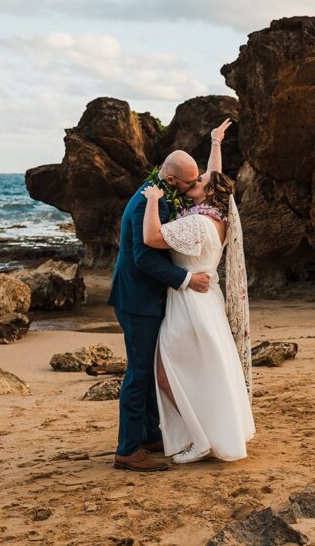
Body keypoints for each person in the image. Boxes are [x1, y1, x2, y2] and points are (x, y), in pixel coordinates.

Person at [141, 119, 255, 464]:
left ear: (205, 192)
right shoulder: (218, 215)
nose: (197, 178)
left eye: (200, 180)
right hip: (207, 301)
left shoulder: (197, 223)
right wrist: (215, 143)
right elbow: (215, 178)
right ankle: (207, 433)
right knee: (208, 370)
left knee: (165, 371)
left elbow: (151, 238)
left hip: (189, 302)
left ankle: (199, 438)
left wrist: (152, 199)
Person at [108, 147, 212, 472]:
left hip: (145, 297)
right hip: (138, 300)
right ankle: (127, 450)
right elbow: (143, 255)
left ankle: (149, 436)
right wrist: (186, 279)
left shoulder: (160, 193)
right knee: (139, 373)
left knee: (150, 369)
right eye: (189, 182)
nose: (193, 187)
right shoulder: (148, 201)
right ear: (170, 179)